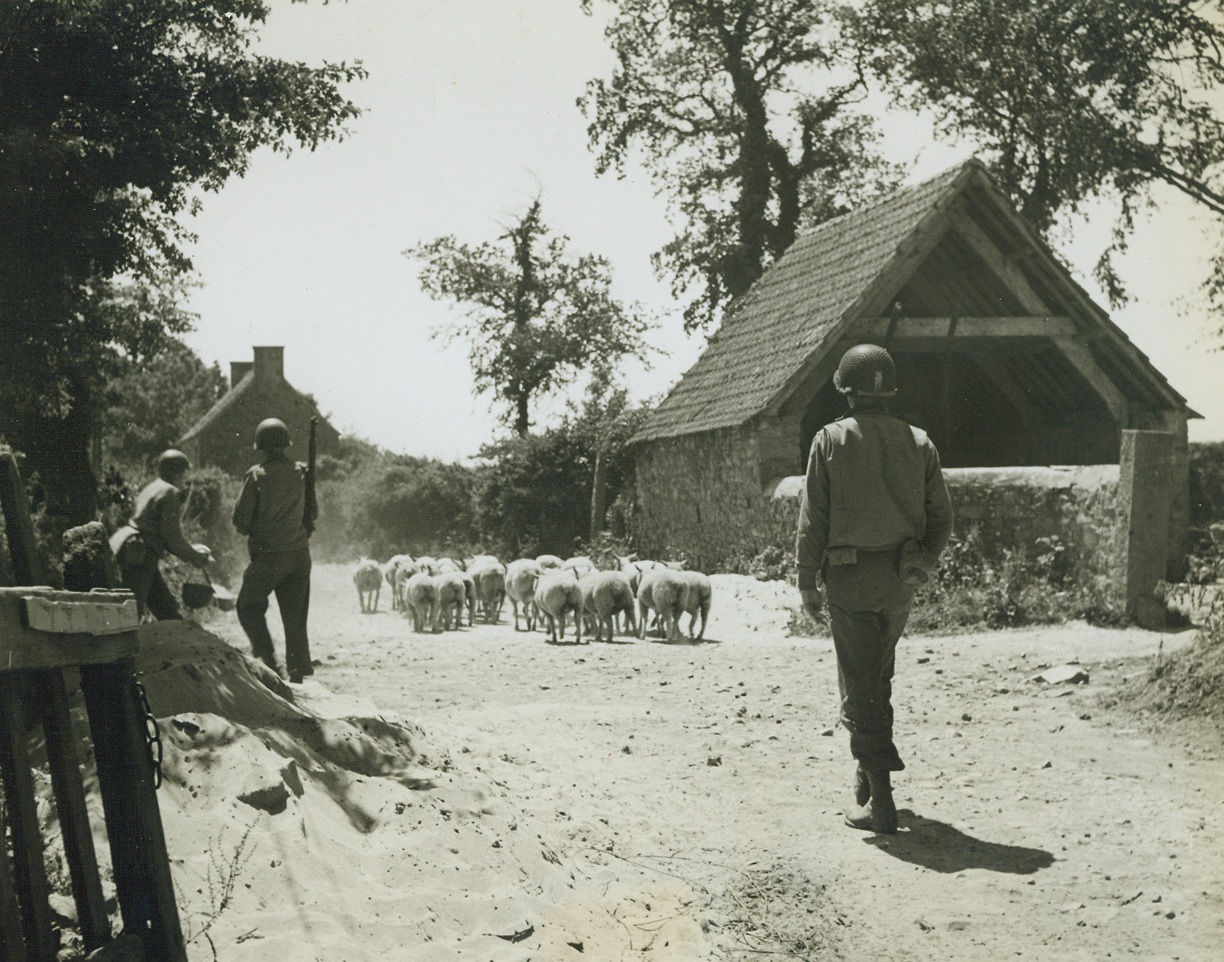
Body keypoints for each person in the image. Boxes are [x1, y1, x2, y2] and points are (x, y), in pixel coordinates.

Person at [795, 344, 953, 834]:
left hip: (849, 577)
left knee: (859, 683)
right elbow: (942, 519)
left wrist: (805, 580)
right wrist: (920, 562)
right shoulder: (920, 442)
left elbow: (812, 519)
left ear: (845, 390)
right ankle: (867, 773)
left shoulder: (830, 441)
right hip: (899, 582)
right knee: (876, 676)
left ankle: (880, 802)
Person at [232, 417, 317, 683]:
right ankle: (297, 670)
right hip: (300, 555)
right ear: (285, 445)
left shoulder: (257, 475)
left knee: (247, 606)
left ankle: (269, 661)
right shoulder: (302, 472)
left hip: (269, 557)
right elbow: (312, 513)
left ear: (262, 446)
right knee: (294, 615)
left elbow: (241, 521)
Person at [109, 449, 213, 620]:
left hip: (132, 546)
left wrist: (189, 551)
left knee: (166, 608)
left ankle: (178, 639)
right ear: (177, 472)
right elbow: (172, 537)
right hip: (140, 553)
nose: (185, 478)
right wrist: (194, 556)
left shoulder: (153, 487)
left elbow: (163, 534)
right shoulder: (170, 492)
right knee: (130, 613)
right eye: (184, 473)